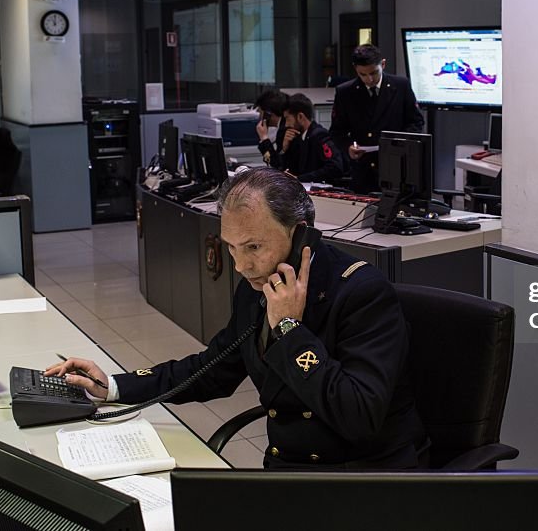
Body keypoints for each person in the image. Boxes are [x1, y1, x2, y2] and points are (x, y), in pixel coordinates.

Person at [47, 167, 427, 470]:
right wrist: (113, 386)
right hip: (289, 472)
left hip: (363, 477)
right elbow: (213, 369)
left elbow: (359, 415)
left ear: (300, 238)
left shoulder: (361, 293)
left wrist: (290, 329)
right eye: (232, 248)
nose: (242, 266)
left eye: (254, 247)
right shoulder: (257, 287)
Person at [330, 44, 424, 193]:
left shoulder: (400, 86)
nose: (370, 79)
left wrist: (400, 143)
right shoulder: (345, 92)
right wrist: (348, 147)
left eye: (374, 73)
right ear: (356, 69)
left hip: (396, 166)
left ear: (383, 64)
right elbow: (337, 132)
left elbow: (416, 122)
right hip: (363, 170)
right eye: (363, 74)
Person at [280, 93, 344, 183]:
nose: (286, 124)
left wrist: (301, 179)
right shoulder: (298, 138)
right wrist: (284, 149)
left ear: (300, 117)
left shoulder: (319, 136)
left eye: (288, 118)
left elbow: (335, 167)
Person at [254, 89, 289, 169]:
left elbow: (276, 164)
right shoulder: (282, 125)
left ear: (268, 114)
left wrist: (264, 138)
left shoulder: (284, 130)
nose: (259, 117)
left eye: (260, 112)